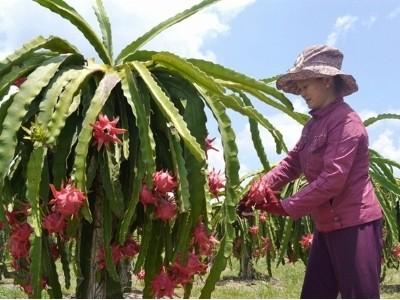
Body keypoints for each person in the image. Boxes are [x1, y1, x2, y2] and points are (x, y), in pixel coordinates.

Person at [261, 45, 383, 298]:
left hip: (355, 224)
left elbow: (333, 179)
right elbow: (292, 163)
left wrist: (286, 206)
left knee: (359, 295)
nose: (302, 93)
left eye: (305, 86)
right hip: (326, 225)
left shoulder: (348, 123)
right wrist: (262, 187)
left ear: (326, 80)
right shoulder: (312, 126)